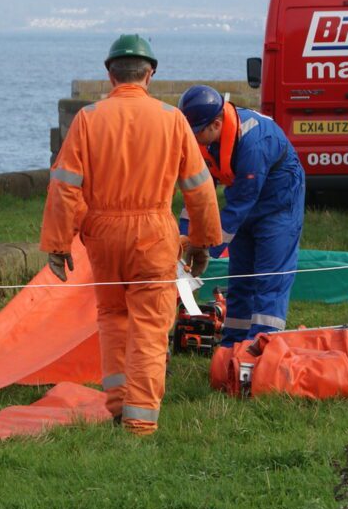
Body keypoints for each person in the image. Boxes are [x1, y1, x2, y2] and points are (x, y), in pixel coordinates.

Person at [41, 34, 222, 436]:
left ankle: (119, 405)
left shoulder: (88, 119)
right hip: (153, 235)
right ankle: (140, 422)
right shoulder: (172, 120)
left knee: (112, 319)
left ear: (110, 74)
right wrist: (202, 242)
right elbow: (198, 186)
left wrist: (58, 242)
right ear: (150, 74)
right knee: (150, 326)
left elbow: (64, 184)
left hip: (103, 236)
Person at [177, 84, 306, 346]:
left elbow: (243, 200)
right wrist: (182, 241)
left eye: (196, 132)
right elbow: (197, 194)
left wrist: (205, 246)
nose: (193, 139)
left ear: (215, 123)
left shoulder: (255, 141)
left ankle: (262, 346)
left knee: (270, 278)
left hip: (279, 205)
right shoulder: (205, 142)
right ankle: (232, 344)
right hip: (243, 201)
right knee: (240, 277)